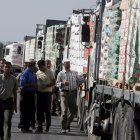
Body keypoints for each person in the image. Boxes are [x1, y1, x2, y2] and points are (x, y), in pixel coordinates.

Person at [57, 59, 85, 133]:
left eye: (69, 63)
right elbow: (57, 84)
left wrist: (85, 77)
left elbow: (80, 80)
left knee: (73, 112)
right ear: (63, 64)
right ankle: (63, 127)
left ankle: (67, 124)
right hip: (64, 93)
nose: (68, 65)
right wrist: (62, 83)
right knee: (64, 110)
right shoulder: (60, 73)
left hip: (72, 94)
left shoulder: (74, 73)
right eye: (66, 63)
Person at [36, 60, 55, 132]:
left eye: (41, 67)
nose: (40, 68)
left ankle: (48, 125)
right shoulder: (37, 72)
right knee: (39, 110)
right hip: (39, 93)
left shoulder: (50, 72)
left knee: (47, 110)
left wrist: (47, 85)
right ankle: (39, 125)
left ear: (44, 65)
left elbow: (54, 82)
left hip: (47, 93)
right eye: (39, 67)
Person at [0, 61, 17, 140]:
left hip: (8, 101)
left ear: (11, 68)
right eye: (6, 67)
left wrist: (15, 105)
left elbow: (15, 92)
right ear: (3, 68)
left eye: (9, 67)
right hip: (0, 101)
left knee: (7, 121)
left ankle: (6, 138)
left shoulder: (14, 79)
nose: (7, 68)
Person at [19, 59, 37, 132]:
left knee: (30, 111)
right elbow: (22, 83)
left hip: (31, 94)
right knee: (24, 110)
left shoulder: (33, 73)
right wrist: (32, 85)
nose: (34, 65)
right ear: (30, 64)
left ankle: (27, 127)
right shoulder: (26, 72)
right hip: (25, 93)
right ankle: (22, 126)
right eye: (33, 64)